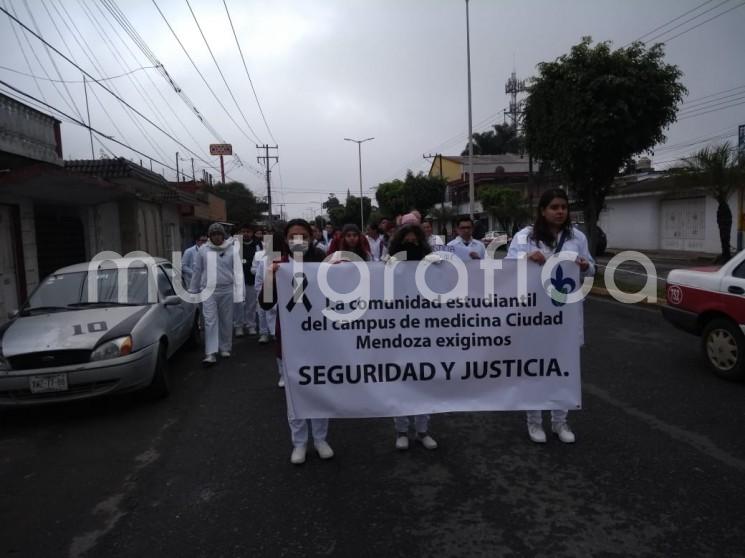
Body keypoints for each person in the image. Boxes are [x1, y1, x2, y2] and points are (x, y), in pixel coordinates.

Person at [506, 188, 594, 444]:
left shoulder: (577, 237)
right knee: (534, 368)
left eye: (564, 207)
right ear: (542, 210)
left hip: (565, 313)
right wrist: (526, 257)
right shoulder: (525, 236)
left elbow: (591, 268)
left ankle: (560, 421)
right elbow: (509, 266)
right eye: (554, 207)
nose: (560, 212)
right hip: (534, 315)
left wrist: (586, 266)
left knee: (564, 368)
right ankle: (534, 422)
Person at [259, 219, 333, 465]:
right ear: (286, 239)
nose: (297, 241)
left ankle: (321, 439)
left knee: (321, 389)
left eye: (302, 236)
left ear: (311, 238)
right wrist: (270, 278)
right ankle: (299, 442)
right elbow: (266, 303)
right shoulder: (279, 265)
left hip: (320, 336)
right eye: (292, 236)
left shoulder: (322, 262)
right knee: (294, 393)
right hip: (291, 339)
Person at [386, 223, 439, 451]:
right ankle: (401, 430)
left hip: (424, 329)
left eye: (414, 240)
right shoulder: (388, 262)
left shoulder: (431, 261)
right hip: (398, 329)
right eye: (406, 240)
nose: (411, 243)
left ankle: (422, 430)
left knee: (425, 380)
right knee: (400, 381)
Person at [189, 222, 244, 366]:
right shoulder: (203, 250)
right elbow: (197, 271)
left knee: (226, 319)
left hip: (226, 289)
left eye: (219, 234)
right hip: (208, 290)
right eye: (213, 234)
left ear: (223, 235)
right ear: (210, 236)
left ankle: (225, 347)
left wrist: (240, 291)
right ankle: (210, 353)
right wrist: (193, 291)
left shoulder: (232, 249)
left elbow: (238, 271)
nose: (216, 237)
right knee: (210, 320)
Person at [234, 224, 262, 337]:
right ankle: (239, 326)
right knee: (238, 304)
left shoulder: (258, 245)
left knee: (251, 304)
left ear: (252, 233)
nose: (246, 234)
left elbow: (260, 262)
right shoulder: (235, 245)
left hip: (252, 279)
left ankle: (251, 325)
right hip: (238, 279)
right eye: (243, 231)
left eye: (248, 231)